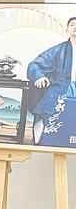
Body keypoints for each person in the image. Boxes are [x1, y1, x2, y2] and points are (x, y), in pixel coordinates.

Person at [27, 16, 76, 146]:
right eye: (72, 24)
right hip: (61, 87)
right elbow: (34, 65)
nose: (75, 27)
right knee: (48, 106)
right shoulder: (58, 50)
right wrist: (39, 76)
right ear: (67, 29)